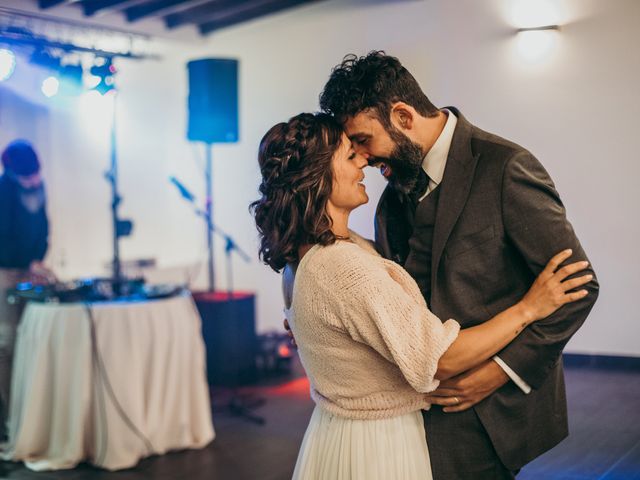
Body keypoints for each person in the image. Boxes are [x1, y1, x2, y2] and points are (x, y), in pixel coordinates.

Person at [252, 113, 592, 479]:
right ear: (316, 177)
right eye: (350, 155)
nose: (364, 160)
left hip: (344, 433)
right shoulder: (344, 266)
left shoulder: (318, 253)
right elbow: (440, 358)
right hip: (378, 446)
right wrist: (528, 308)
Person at [315, 51, 599, 478]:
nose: (363, 158)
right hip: (417, 405)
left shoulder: (505, 167)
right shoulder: (394, 192)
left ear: (403, 116)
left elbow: (579, 287)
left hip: (491, 409)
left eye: (362, 140)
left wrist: (497, 373)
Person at [0, 140, 52, 438]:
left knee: (32, 335)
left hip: (30, 268)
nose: (34, 180)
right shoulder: (3, 192)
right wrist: (23, 263)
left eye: (36, 174)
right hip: (5, 271)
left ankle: (33, 413)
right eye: (28, 176)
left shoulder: (38, 189)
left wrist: (37, 260)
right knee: (7, 342)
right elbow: (4, 237)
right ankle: (11, 417)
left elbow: (44, 227)